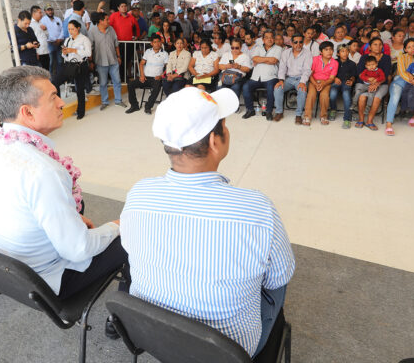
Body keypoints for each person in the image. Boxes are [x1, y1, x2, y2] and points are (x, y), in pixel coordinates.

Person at [121, 87, 295, 358]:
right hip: (228, 351)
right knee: (276, 285)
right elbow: (279, 278)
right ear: (215, 141)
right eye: (224, 124)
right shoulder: (257, 209)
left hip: (154, 335)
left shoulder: (138, 193)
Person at [0, 66, 129, 317]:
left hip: (2, 268)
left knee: (80, 212)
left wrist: (73, 220)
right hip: (41, 281)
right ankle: (124, 320)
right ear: (27, 112)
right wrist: (117, 225)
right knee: (135, 233)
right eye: (53, 97)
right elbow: (78, 250)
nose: (61, 103)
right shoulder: (43, 171)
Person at [88, 11, 127, 110]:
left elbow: (116, 44)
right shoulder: (92, 31)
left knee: (117, 81)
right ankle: (105, 101)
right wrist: (91, 61)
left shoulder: (111, 29)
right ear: (100, 21)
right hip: (100, 62)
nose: (109, 21)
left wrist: (118, 56)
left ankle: (118, 100)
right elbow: (90, 48)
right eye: (107, 19)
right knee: (103, 83)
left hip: (113, 60)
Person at [383, 38, 414, 136]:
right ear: (405, 49)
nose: (412, 49)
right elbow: (402, 73)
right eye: (409, 47)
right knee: (395, 97)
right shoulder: (402, 57)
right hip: (401, 81)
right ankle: (389, 123)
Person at [242, 32, 282, 120]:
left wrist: (260, 60)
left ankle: (268, 111)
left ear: (274, 39)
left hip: (271, 77)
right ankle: (250, 109)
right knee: (246, 86)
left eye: (271, 37)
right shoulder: (258, 47)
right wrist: (267, 59)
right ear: (263, 39)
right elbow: (254, 58)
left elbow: (274, 60)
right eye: (267, 37)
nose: (269, 39)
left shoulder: (278, 48)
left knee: (271, 88)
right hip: (256, 76)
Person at [273, 34, 312, 124]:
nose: (298, 44)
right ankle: (279, 112)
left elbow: (307, 70)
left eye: (300, 42)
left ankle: (298, 115)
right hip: (289, 78)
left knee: (302, 91)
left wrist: (302, 82)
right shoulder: (285, 53)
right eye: (295, 42)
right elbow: (282, 68)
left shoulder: (307, 53)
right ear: (291, 43)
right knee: (277, 88)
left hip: (300, 78)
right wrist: (281, 80)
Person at [126, 34, 168, 115]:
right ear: (151, 43)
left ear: (161, 42)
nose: (157, 44)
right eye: (155, 42)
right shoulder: (148, 51)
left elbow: (167, 68)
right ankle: (134, 106)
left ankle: (148, 107)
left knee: (157, 86)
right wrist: (142, 75)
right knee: (131, 84)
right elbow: (141, 64)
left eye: (159, 42)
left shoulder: (165, 54)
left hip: (156, 78)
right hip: (145, 78)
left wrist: (161, 76)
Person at [60, 20, 92, 120]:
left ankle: (80, 111)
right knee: (55, 81)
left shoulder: (84, 39)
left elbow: (88, 53)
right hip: (70, 65)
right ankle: (58, 109)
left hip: (80, 66)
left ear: (78, 28)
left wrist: (73, 50)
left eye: (72, 29)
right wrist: (65, 53)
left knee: (79, 89)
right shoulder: (67, 40)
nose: (70, 31)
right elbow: (64, 55)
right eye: (69, 29)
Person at [302, 41, 337, 126]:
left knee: (324, 96)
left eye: (331, 49)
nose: (329, 52)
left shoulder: (335, 63)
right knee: (311, 95)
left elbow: (332, 78)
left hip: (326, 82)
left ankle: (323, 116)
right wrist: (315, 84)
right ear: (321, 52)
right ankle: (307, 116)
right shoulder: (315, 59)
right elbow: (310, 74)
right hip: (313, 80)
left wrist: (323, 84)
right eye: (326, 50)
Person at [328, 44, 357, 129]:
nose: (345, 53)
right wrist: (335, 78)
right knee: (332, 94)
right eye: (342, 51)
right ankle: (333, 109)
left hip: (346, 82)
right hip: (335, 81)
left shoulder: (352, 64)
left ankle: (347, 118)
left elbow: (354, 75)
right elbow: (329, 73)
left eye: (347, 51)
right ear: (338, 53)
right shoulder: (334, 62)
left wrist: (352, 80)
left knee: (346, 95)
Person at [355, 55, 386, 130]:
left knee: (373, 96)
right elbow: (361, 76)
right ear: (366, 66)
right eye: (369, 65)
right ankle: (361, 119)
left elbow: (383, 77)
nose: (371, 67)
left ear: (376, 63)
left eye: (373, 64)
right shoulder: (366, 71)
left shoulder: (379, 70)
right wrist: (368, 78)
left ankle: (369, 120)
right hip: (366, 86)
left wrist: (376, 80)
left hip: (377, 86)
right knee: (361, 96)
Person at [29, 5, 51, 70]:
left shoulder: (41, 22)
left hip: (46, 51)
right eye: (40, 12)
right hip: (39, 52)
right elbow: (31, 39)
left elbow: (47, 35)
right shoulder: (31, 24)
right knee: (41, 72)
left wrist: (46, 29)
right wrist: (35, 52)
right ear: (34, 13)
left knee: (47, 70)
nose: (41, 14)